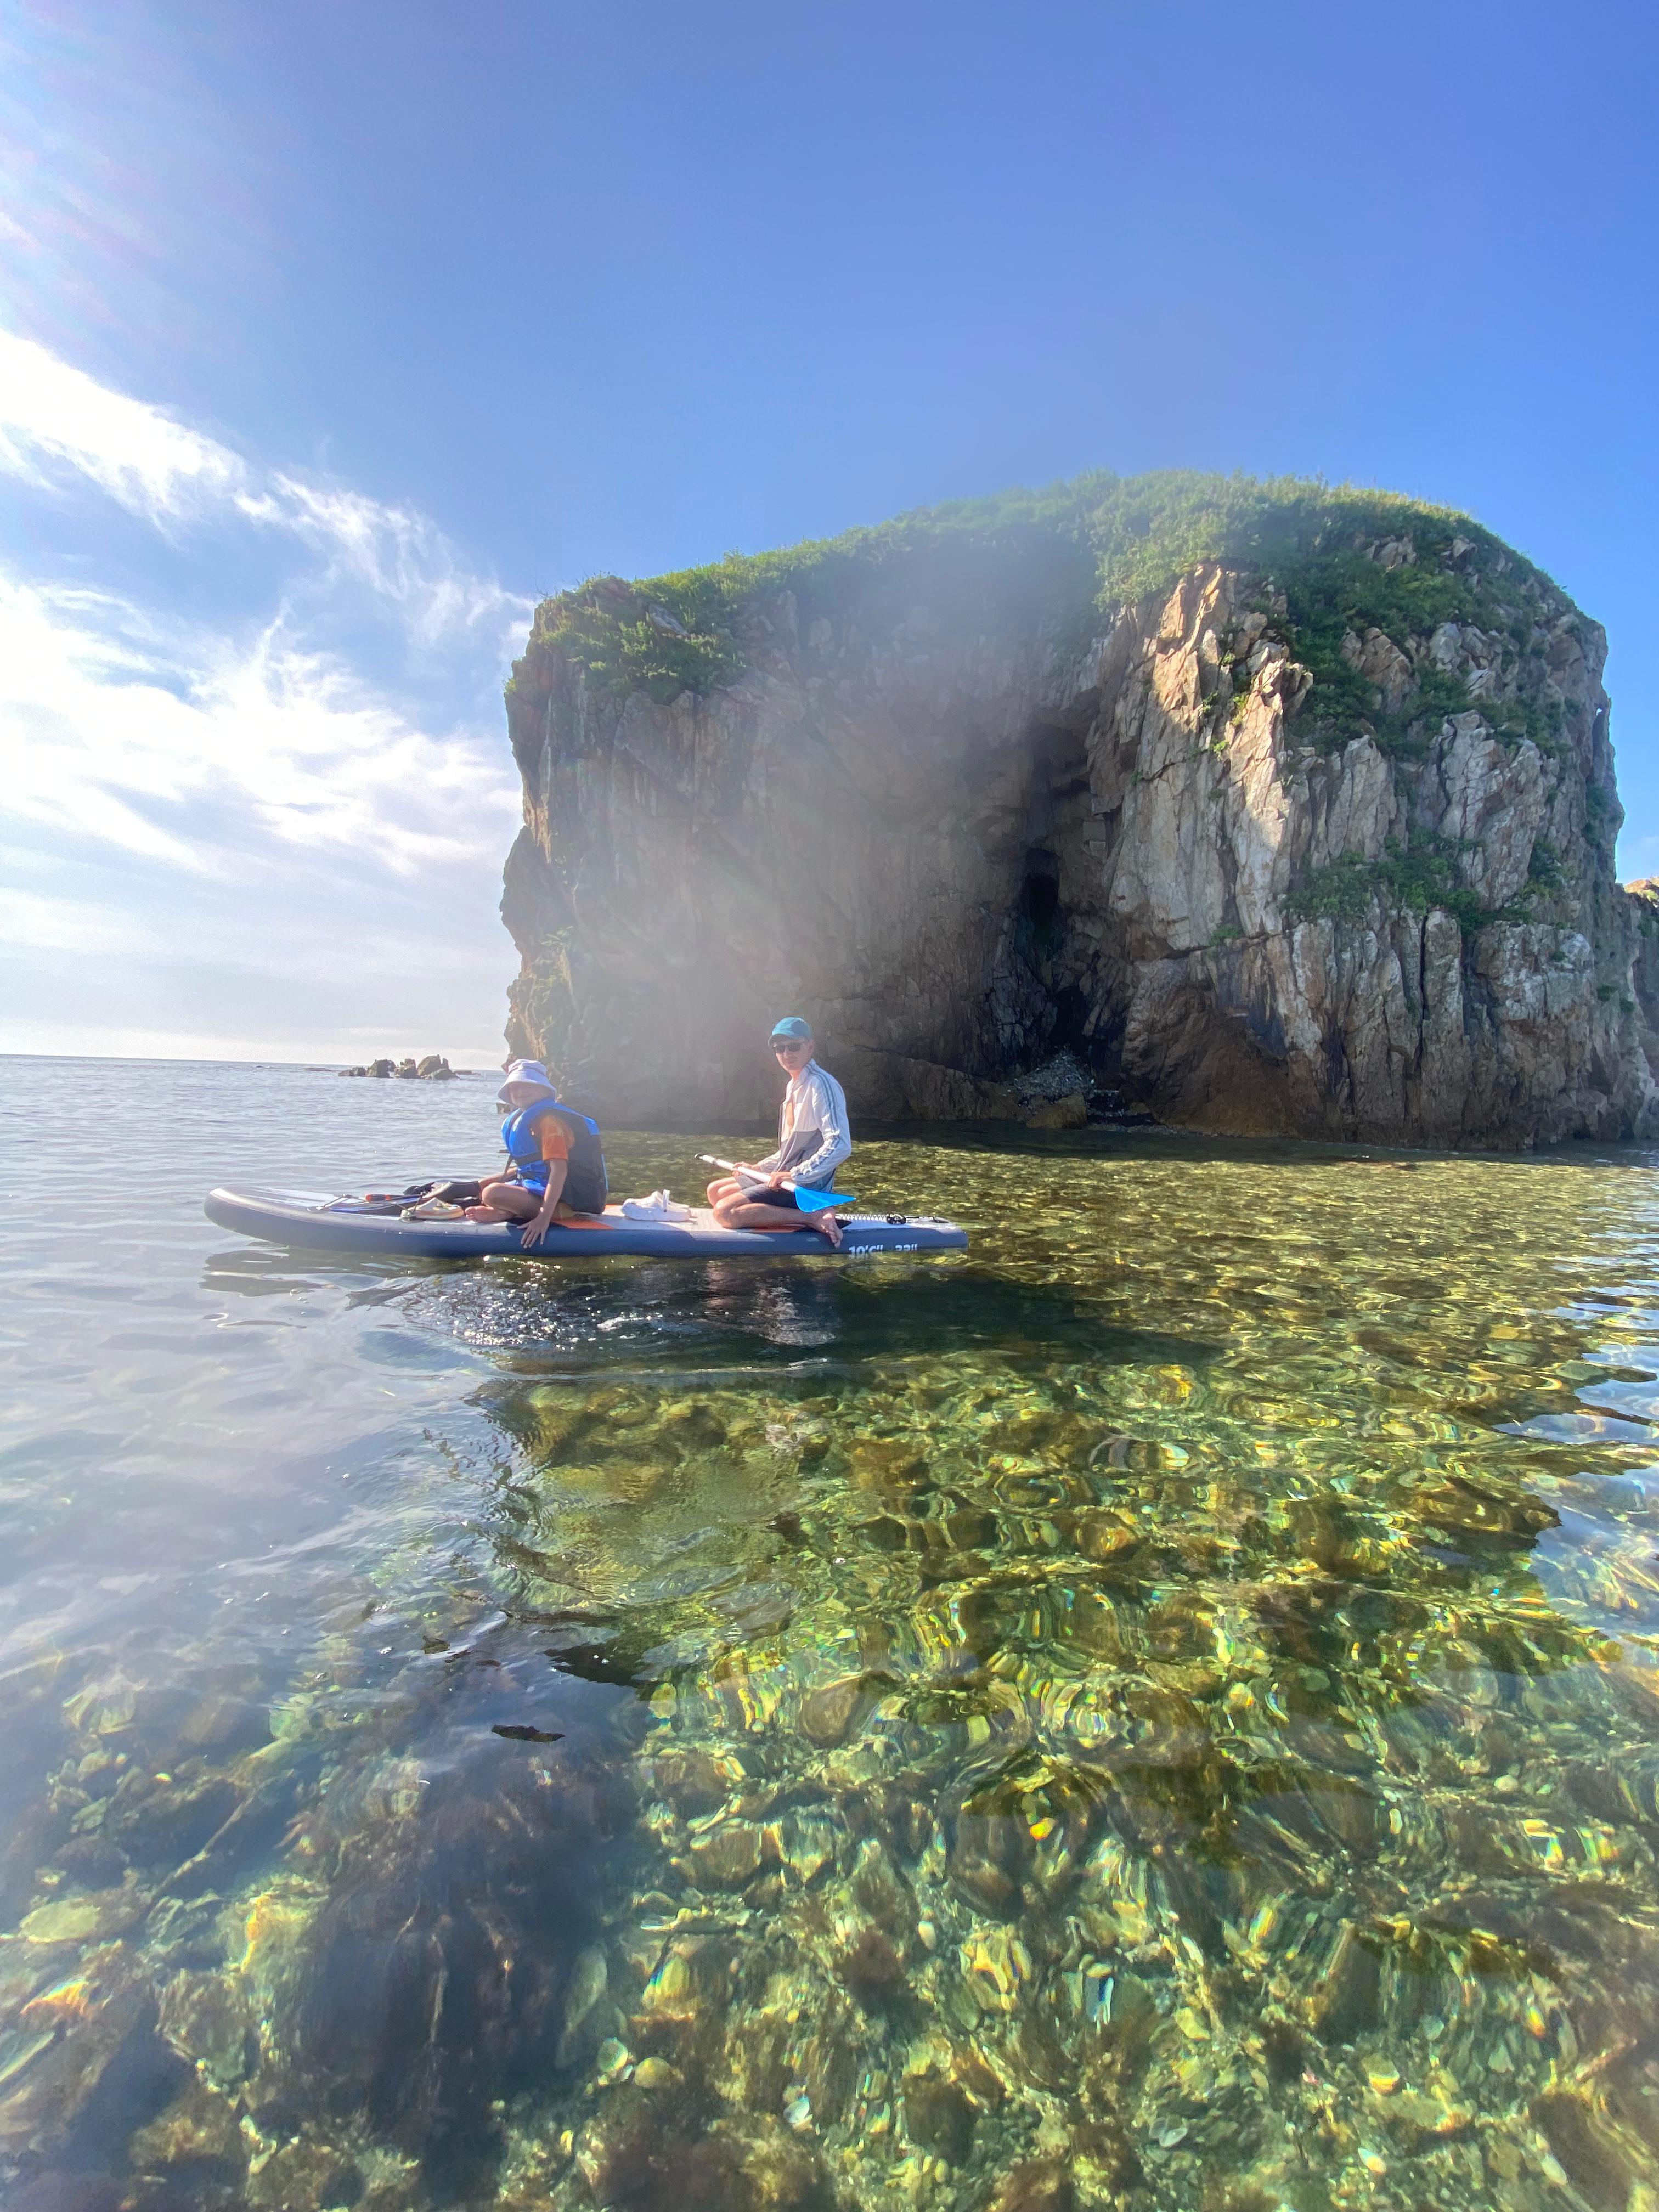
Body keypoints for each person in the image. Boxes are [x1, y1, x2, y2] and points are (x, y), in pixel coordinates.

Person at [707, 1018, 851, 1249]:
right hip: (790, 1179)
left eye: (794, 1046)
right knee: (716, 1191)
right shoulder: (794, 1086)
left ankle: (812, 1217)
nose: (787, 1053)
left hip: (805, 1187)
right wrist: (760, 1168)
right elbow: (790, 1150)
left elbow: (841, 1144)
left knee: (725, 1212)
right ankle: (771, 1218)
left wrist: (796, 1175)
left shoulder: (821, 1085)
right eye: (780, 1048)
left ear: (810, 1047)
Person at [465, 1059, 608, 1246]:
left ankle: (507, 1212)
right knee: (485, 1185)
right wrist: (473, 1185)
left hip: (570, 1205)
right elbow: (529, 1168)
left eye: (529, 1085)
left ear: (544, 1090)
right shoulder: (529, 1119)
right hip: (545, 1191)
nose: (521, 1091)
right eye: (515, 1087)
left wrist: (543, 1218)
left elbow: (559, 1170)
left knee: (491, 1193)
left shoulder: (549, 1123)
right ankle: (506, 1210)